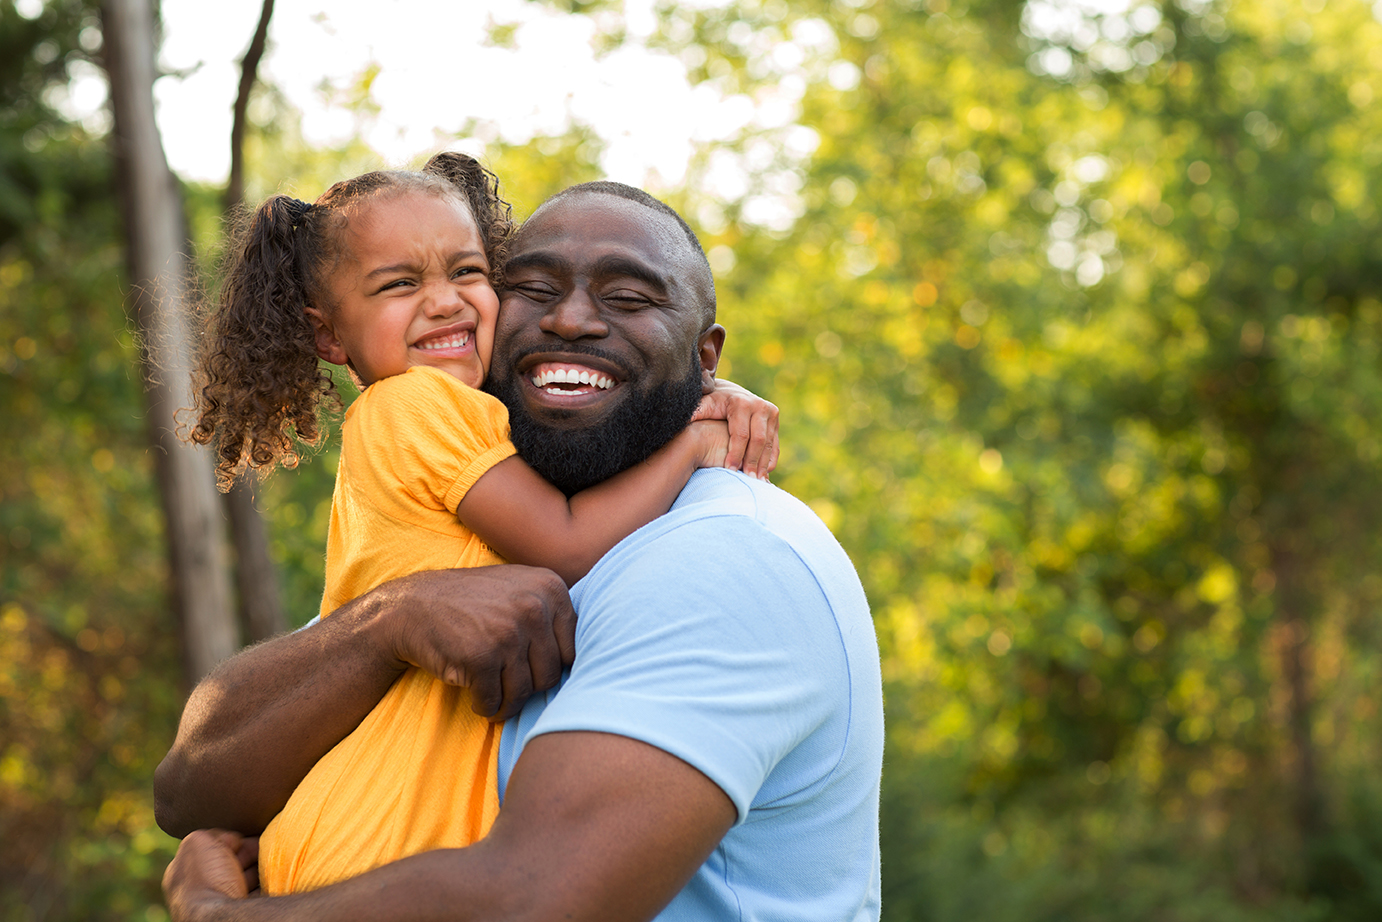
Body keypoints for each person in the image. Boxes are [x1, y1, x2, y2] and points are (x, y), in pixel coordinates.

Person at [158, 181, 884, 921]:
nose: (569, 319)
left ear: (705, 356)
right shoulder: (458, 530)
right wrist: (388, 621)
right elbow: (188, 788)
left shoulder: (727, 557)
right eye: (531, 288)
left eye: (630, 299)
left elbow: (534, 901)